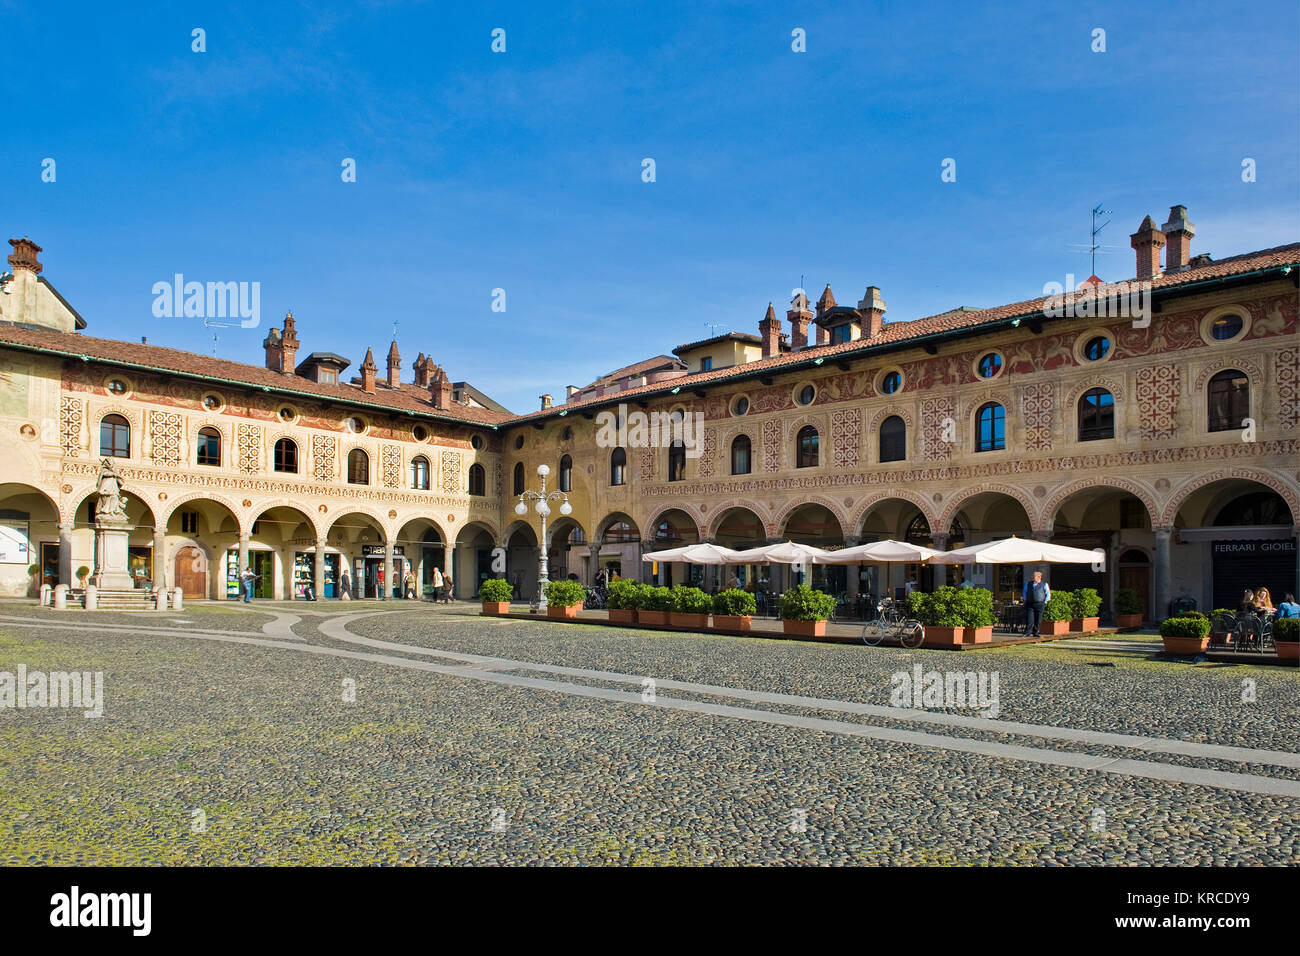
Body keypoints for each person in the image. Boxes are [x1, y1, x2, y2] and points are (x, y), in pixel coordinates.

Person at [1021, 570, 1050, 638]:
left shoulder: (1044, 584)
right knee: (1029, 619)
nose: (1032, 578)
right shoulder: (1028, 584)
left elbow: (1047, 593)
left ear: (1039, 577)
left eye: (1034, 576)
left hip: (1040, 603)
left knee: (1038, 619)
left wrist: (1045, 601)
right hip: (1030, 603)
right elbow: (1024, 592)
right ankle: (1027, 632)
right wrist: (1025, 599)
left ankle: (1036, 632)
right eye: (1033, 576)